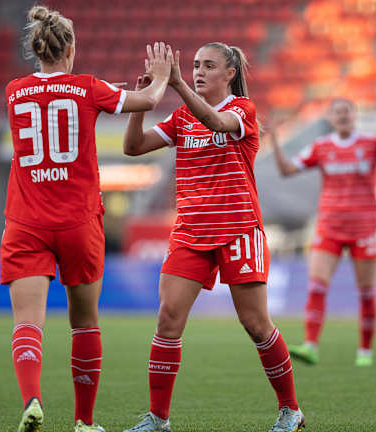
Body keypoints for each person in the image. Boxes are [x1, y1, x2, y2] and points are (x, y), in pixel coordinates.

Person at [1, 6, 173, 432]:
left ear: (35, 49)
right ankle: (84, 421)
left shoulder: (13, 91)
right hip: (78, 220)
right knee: (84, 321)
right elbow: (148, 100)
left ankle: (32, 399)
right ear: (71, 49)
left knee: (27, 322)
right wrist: (162, 76)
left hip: (26, 221)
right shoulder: (88, 88)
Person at [121, 42, 305, 432]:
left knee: (256, 323)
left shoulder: (243, 111)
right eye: (194, 66)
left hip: (238, 230)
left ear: (230, 74)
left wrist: (176, 85)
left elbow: (217, 124)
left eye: (208, 66)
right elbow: (133, 147)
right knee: (168, 319)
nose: (198, 72)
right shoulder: (182, 117)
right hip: (190, 232)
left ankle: (291, 410)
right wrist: (140, 105)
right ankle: (158, 419)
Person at [269, 99, 376, 367]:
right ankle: (310, 346)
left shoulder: (372, 144)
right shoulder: (322, 147)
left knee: (366, 291)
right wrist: (275, 141)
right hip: (330, 227)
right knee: (316, 285)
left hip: (364, 227)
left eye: (346, 112)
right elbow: (286, 170)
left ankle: (365, 351)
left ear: (354, 116)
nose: (343, 116)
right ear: (331, 119)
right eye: (337, 113)